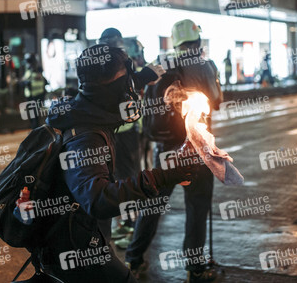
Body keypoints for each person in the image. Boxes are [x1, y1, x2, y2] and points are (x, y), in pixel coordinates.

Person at [35, 45, 195, 283]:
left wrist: (142, 77)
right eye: (126, 81)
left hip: (81, 238)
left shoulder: (88, 108)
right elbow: (98, 199)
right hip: (77, 250)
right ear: (111, 87)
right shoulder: (86, 136)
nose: (131, 88)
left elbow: (116, 90)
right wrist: (162, 177)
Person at [125, 19, 223, 283]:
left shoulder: (161, 62)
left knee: (153, 204)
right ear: (197, 40)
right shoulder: (205, 65)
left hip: (166, 148)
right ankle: (194, 269)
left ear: (175, 41)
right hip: (197, 148)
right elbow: (216, 101)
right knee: (197, 207)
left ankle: (133, 260)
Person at [98, 28, 165, 248]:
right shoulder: (118, 64)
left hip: (122, 133)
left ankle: (129, 223)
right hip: (119, 132)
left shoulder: (106, 64)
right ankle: (126, 223)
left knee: (123, 179)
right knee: (119, 180)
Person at [21, 54, 47, 129]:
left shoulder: (38, 70)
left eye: (29, 62)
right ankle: (34, 128)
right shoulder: (28, 71)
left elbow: (41, 81)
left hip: (37, 95)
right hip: (30, 95)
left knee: (35, 113)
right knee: (31, 113)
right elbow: (24, 80)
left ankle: (36, 128)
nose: (28, 64)